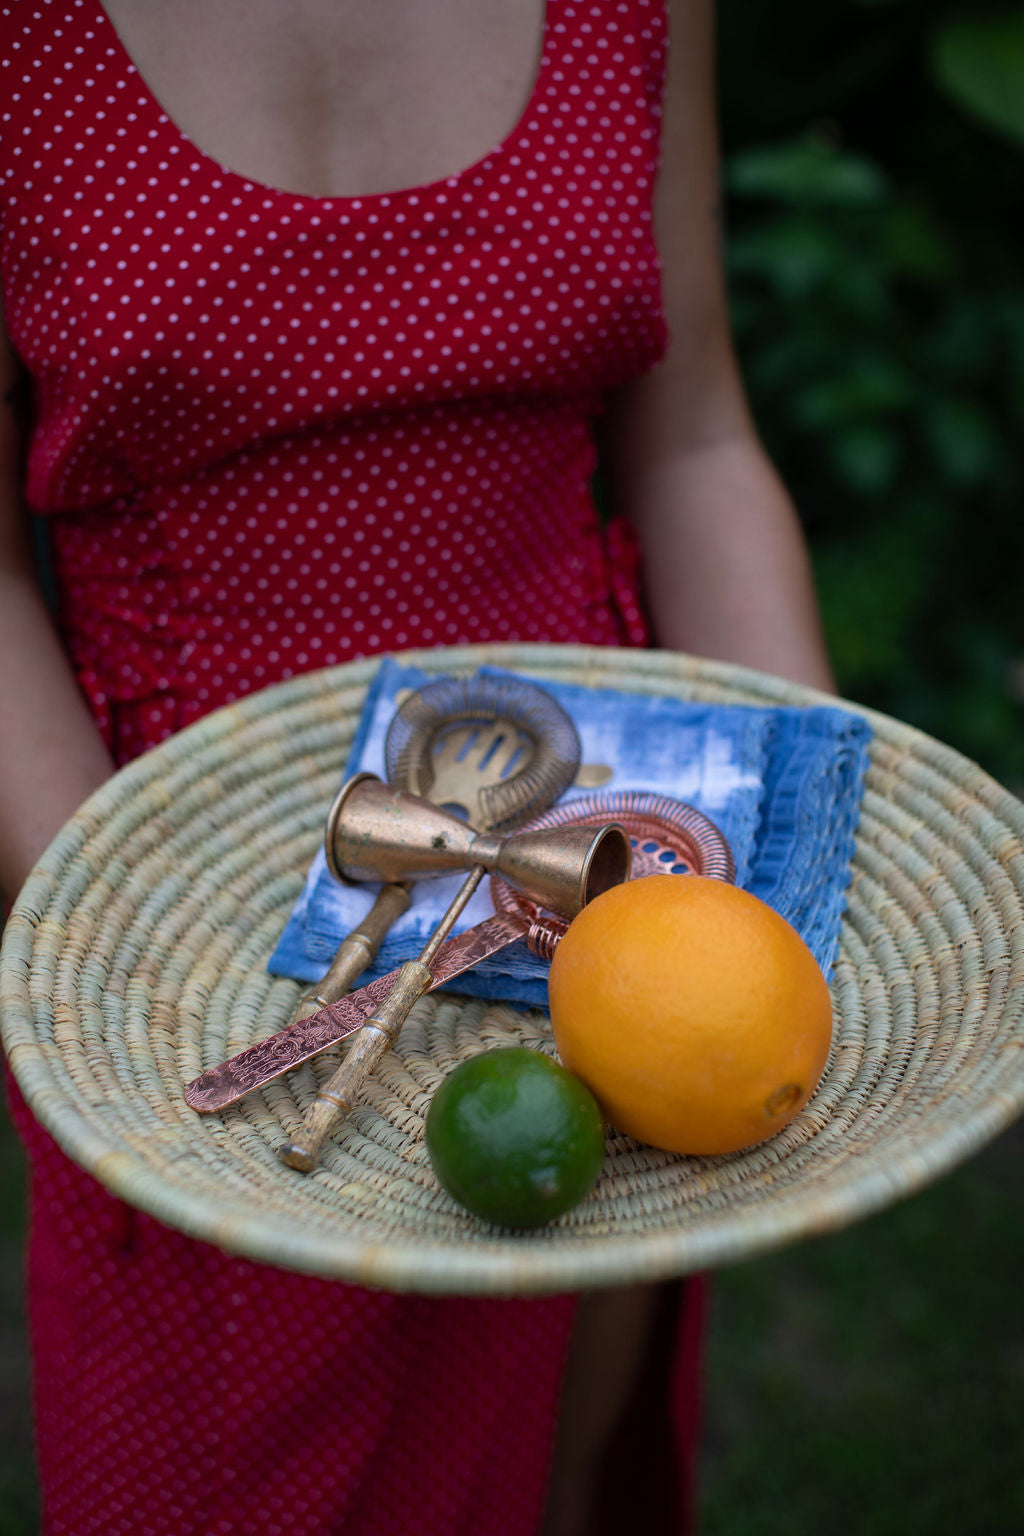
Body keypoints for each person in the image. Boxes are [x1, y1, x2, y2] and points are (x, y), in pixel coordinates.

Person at [0, 1, 835, 1533]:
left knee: (548, 1456)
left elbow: (695, 438)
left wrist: (810, 874)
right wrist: (141, 976)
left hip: (600, 900)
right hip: (187, 921)